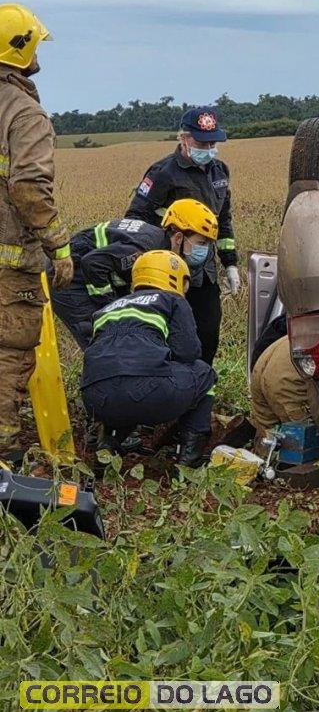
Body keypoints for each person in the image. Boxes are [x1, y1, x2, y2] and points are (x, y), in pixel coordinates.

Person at [0, 3, 73, 463]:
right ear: (21, 50)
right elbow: (28, 187)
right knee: (7, 361)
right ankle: (3, 466)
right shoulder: (24, 114)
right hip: (8, 273)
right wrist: (59, 246)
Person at [125, 106, 240, 364]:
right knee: (175, 338)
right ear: (184, 138)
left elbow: (223, 221)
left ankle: (202, 382)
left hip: (206, 272)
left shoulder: (220, 172)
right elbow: (135, 217)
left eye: (212, 143)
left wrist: (230, 264)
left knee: (208, 336)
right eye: (201, 143)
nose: (208, 148)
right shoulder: (163, 173)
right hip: (170, 271)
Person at [81, 250, 215, 468]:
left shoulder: (105, 309)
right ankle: (188, 459)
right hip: (147, 392)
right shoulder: (171, 300)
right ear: (174, 278)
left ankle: (106, 448)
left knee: (120, 384)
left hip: (95, 398)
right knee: (205, 373)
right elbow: (188, 352)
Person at [50, 198, 218, 350]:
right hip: (69, 275)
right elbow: (92, 263)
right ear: (179, 238)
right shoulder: (144, 249)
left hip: (90, 268)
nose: (204, 250)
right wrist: (109, 306)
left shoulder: (160, 245)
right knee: (102, 338)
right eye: (201, 243)